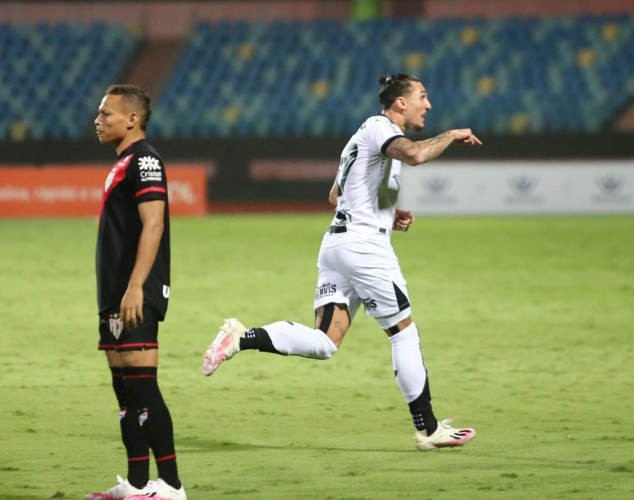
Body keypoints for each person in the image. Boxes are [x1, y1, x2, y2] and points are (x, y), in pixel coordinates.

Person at [202, 73, 481, 451]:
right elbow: (415, 154)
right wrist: (451, 135)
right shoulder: (381, 128)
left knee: (325, 342)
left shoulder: (360, 137)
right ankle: (427, 428)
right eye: (422, 96)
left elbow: (336, 195)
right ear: (400, 103)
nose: (428, 105)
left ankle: (242, 337)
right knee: (403, 332)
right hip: (365, 250)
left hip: (337, 246)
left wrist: (389, 213)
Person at [87, 84, 186, 500]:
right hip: (115, 295)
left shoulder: (145, 160)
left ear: (132, 119)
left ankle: (172, 486)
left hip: (135, 294)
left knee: (143, 390)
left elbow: (154, 224)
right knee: (126, 395)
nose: (98, 120)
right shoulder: (124, 161)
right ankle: (138, 485)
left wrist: (135, 287)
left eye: (106, 114)